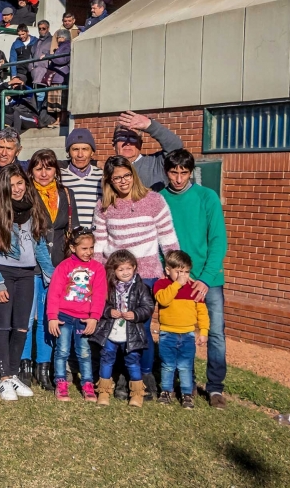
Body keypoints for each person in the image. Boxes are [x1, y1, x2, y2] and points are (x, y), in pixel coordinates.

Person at [93, 156, 179, 400]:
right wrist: (101, 278)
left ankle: (143, 375)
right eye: (116, 177)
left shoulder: (154, 200)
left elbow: (168, 239)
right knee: (116, 328)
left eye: (126, 175)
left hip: (147, 276)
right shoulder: (103, 206)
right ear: (109, 180)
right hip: (116, 279)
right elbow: (99, 246)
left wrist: (175, 271)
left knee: (140, 328)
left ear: (133, 174)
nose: (123, 181)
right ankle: (120, 375)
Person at [161, 149, 228, 410]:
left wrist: (206, 278)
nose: (178, 178)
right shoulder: (160, 199)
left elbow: (218, 240)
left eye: (184, 173)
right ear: (166, 171)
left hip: (207, 280)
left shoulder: (206, 197)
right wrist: (172, 276)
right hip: (176, 280)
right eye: (173, 172)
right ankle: (181, 384)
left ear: (191, 172)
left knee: (214, 333)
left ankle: (215, 388)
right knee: (176, 331)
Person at [0, 163, 46, 400]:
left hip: (27, 274)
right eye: (11, 185)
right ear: (3, 187)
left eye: (20, 183)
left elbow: (40, 246)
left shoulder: (33, 208)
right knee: (3, 325)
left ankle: (14, 374)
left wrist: (51, 274)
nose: (16, 189)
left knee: (22, 326)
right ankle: (4, 378)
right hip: (3, 272)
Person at [19, 149, 79, 391]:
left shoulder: (66, 193)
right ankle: (24, 365)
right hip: (30, 264)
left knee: (48, 317)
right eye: (38, 168)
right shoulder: (25, 193)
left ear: (56, 170)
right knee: (26, 317)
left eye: (49, 167)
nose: (44, 173)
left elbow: (71, 228)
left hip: (58, 265)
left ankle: (44, 367)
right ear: (31, 171)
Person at [47, 226, 106, 402]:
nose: (89, 252)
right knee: (62, 351)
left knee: (85, 352)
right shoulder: (64, 267)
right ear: (73, 248)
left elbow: (99, 295)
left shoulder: (98, 268)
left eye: (91, 248)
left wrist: (94, 318)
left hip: (84, 318)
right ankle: (61, 383)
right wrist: (52, 317)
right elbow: (54, 293)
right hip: (64, 317)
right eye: (84, 248)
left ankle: (87, 385)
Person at [90, 250, 155, 407]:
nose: (125, 272)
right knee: (106, 359)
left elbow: (148, 306)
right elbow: (100, 303)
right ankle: (104, 392)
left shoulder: (141, 287)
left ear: (134, 267)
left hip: (131, 332)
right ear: (114, 270)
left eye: (128, 268)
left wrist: (135, 314)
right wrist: (108, 311)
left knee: (133, 361)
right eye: (120, 269)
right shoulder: (109, 287)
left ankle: (137, 394)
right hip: (111, 331)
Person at [154, 250, 209, 410]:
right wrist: (177, 284)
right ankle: (166, 391)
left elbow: (202, 312)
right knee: (168, 364)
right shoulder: (162, 285)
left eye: (186, 272)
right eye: (179, 271)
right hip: (167, 333)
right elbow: (163, 299)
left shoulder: (194, 288)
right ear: (167, 270)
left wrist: (204, 332)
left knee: (185, 365)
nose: (183, 275)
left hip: (187, 334)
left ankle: (187, 394)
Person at [113, 111, 184, 192]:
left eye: (133, 138)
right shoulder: (109, 169)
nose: (128, 142)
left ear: (140, 143)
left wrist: (150, 125)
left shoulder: (156, 163)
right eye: (123, 138)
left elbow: (176, 147)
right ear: (113, 145)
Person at [60, 128, 102, 228]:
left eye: (85, 149)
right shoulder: (59, 177)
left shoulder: (102, 176)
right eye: (75, 149)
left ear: (92, 152)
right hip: (69, 239)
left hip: (95, 239)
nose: (80, 155)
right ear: (68, 152)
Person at [43, 28, 71, 127]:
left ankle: (63, 120)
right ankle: (58, 120)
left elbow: (62, 60)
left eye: (59, 37)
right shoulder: (60, 47)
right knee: (55, 102)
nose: (57, 39)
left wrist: (49, 56)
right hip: (55, 77)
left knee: (61, 102)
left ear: (64, 37)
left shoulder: (67, 46)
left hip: (61, 77)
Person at [28, 20, 53, 86]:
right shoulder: (36, 42)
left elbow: (54, 54)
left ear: (48, 28)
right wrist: (31, 68)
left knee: (41, 94)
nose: (41, 30)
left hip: (45, 72)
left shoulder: (52, 40)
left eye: (44, 28)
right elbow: (31, 56)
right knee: (36, 94)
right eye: (39, 28)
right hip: (35, 73)